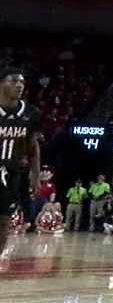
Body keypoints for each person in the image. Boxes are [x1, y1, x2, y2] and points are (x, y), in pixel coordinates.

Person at [0, 68, 40, 252]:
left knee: (3, 227)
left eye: (22, 82)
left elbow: (33, 147)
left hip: (11, 174)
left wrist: (36, 175)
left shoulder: (31, 113)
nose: (19, 85)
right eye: (13, 81)